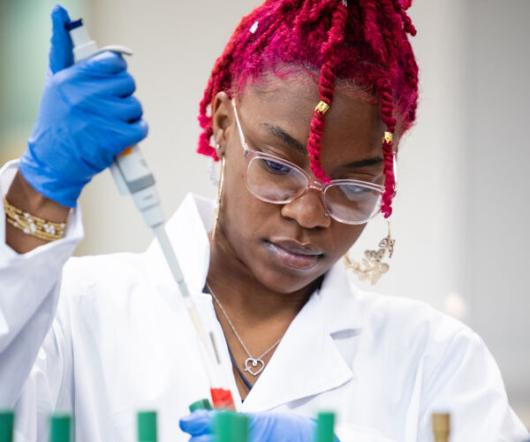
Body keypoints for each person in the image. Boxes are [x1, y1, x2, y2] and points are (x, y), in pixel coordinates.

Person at [0, 2, 527, 442]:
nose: (307, 214)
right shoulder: (76, 313)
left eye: (352, 188)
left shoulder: (435, 358)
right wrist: (40, 189)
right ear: (225, 125)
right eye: (277, 166)